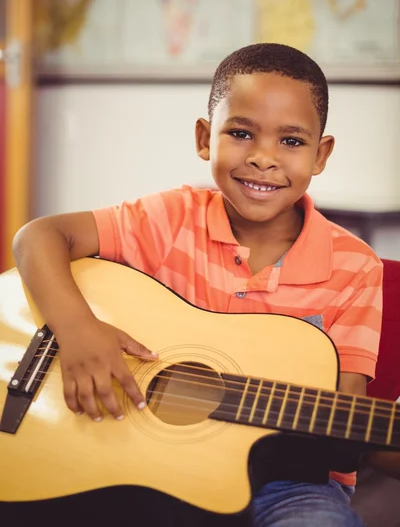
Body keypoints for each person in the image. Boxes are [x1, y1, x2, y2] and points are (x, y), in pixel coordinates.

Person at [13, 43, 390, 526]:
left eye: (291, 142)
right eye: (240, 133)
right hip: (143, 459)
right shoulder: (170, 219)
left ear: (321, 154)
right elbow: (38, 237)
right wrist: (78, 329)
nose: (262, 158)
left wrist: (377, 441)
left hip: (289, 484)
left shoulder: (355, 267)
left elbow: (345, 423)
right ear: (204, 138)